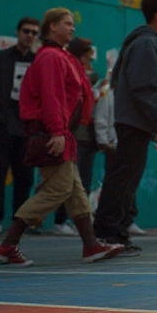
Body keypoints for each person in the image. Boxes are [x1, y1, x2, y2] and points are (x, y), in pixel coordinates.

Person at [0, 8, 123, 266]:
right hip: (51, 132)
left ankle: (91, 245)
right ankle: (7, 245)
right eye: (67, 24)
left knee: (75, 192)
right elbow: (52, 97)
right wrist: (56, 132)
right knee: (58, 189)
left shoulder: (61, 56)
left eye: (73, 24)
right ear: (52, 27)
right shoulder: (51, 57)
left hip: (63, 133)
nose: (72, 28)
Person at [93, 0, 157, 256]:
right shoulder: (146, 43)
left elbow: (145, 83)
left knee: (126, 178)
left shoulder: (150, 43)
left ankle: (115, 232)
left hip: (134, 121)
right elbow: (144, 89)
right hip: (135, 122)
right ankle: (107, 232)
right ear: (156, 16)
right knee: (123, 179)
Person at [0, 16, 39, 237]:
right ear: (17, 32)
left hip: (26, 128)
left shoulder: (37, 62)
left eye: (34, 33)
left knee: (25, 176)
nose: (29, 36)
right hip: (1, 125)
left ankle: (19, 222)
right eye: (26, 31)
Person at [52, 37, 98, 236]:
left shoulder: (85, 74)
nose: (91, 60)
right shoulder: (70, 70)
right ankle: (60, 220)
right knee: (68, 182)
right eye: (89, 55)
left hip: (87, 134)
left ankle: (80, 226)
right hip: (72, 132)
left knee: (82, 182)